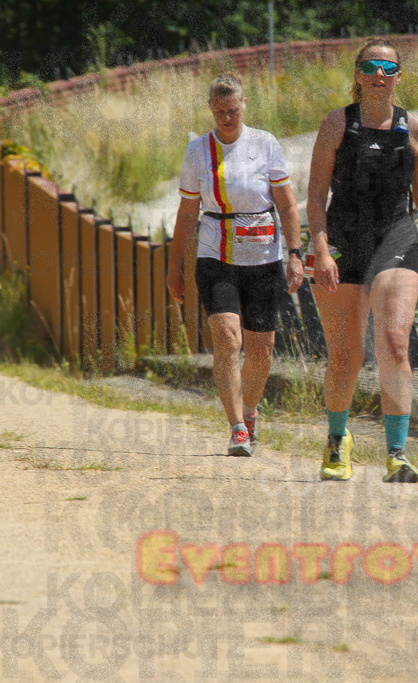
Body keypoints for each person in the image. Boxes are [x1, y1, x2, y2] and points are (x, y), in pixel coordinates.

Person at [307, 38, 418, 483]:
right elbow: (314, 195)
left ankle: (398, 453)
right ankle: (338, 439)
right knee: (346, 357)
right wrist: (320, 248)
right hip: (344, 244)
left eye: (388, 67)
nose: (379, 74)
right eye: (370, 66)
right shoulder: (336, 125)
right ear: (358, 74)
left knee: (393, 341)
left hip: (397, 240)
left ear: (399, 76)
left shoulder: (416, 129)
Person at [167, 73, 305, 457]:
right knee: (229, 338)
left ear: (244, 105)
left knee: (262, 349)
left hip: (263, 256)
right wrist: (174, 265)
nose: (227, 117)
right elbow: (187, 211)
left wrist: (295, 254)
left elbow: (287, 204)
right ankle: (237, 428)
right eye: (220, 112)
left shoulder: (265, 144)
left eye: (233, 110)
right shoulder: (198, 151)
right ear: (212, 111)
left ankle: (250, 410)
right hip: (216, 253)